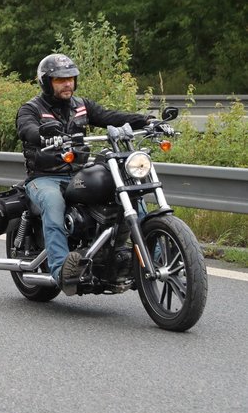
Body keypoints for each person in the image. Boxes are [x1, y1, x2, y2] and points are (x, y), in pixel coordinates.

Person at [16, 53, 152, 295]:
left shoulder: (82, 105)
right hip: (44, 177)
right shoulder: (31, 108)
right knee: (53, 204)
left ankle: (155, 256)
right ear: (47, 83)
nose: (67, 83)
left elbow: (111, 116)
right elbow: (27, 129)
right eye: (60, 80)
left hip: (78, 172)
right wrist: (43, 134)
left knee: (130, 195)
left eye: (70, 78)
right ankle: (60, 270)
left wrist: (146, 121)